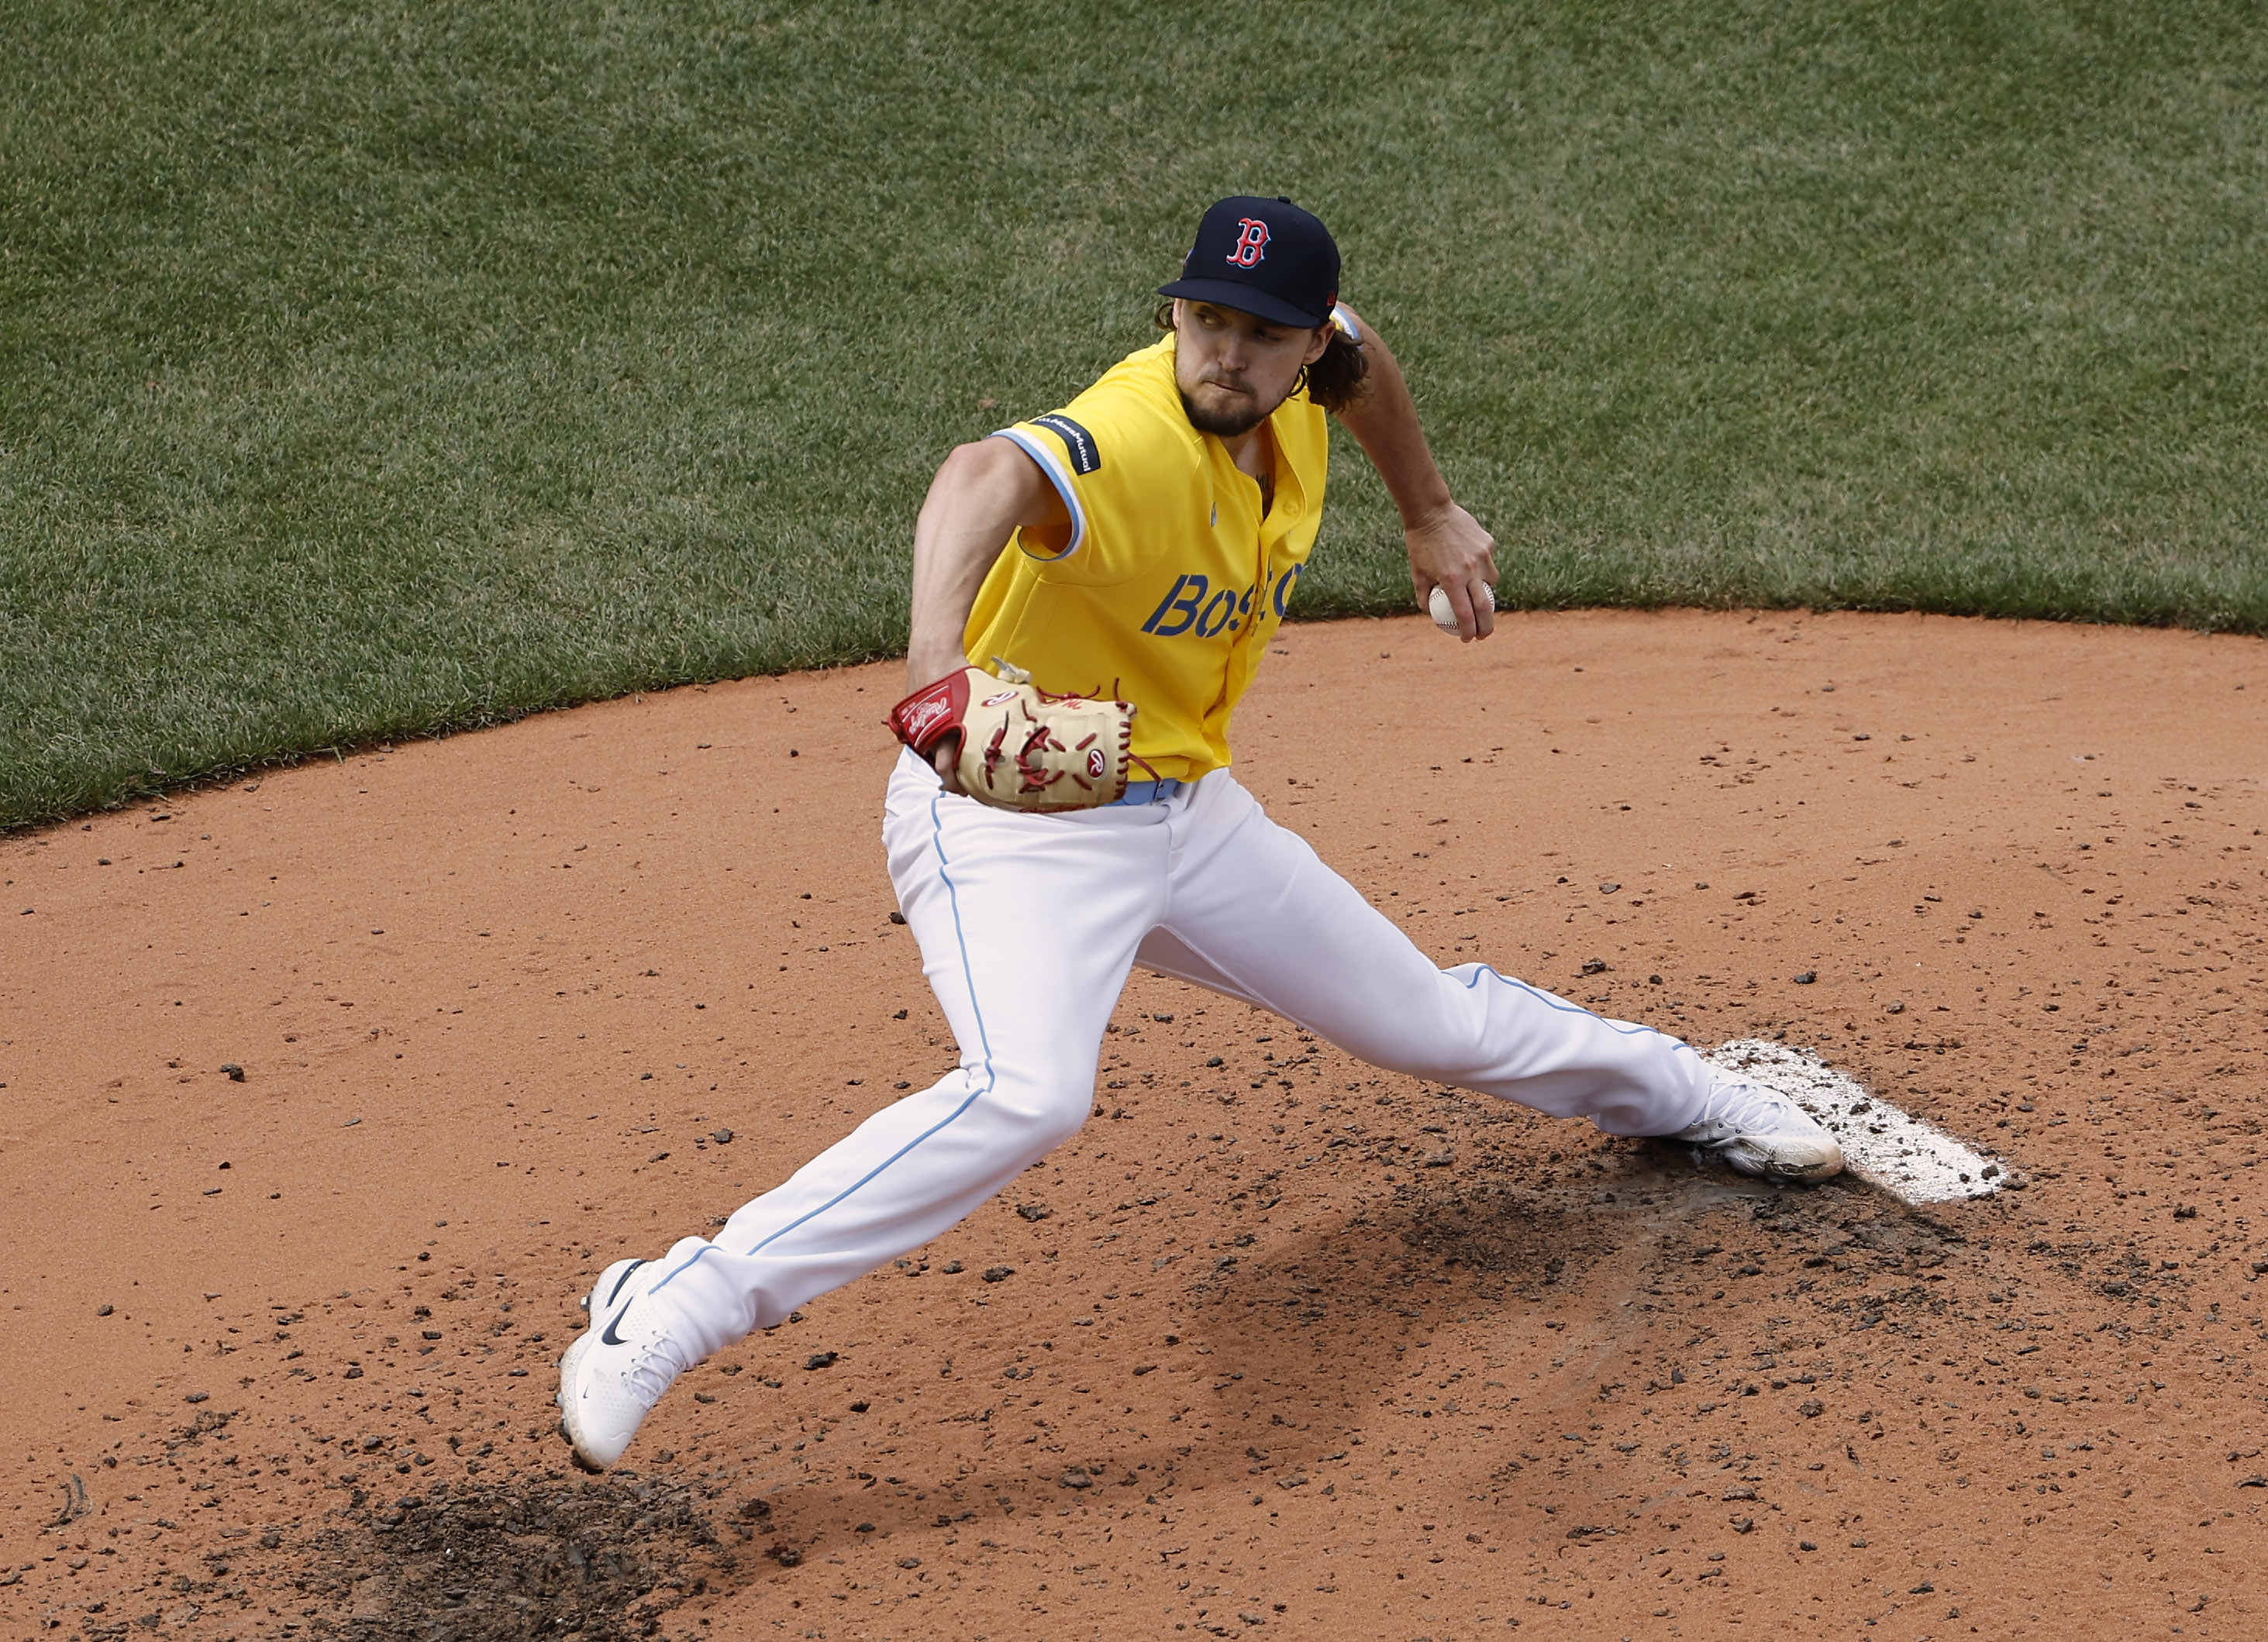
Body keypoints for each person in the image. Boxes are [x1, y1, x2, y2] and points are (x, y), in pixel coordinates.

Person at [557, 196, 1841, 1472]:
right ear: (1173, 312)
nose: (1226, 353)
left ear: (1301, 350)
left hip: (1187, 811)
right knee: (1029, 1093)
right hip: (1015, 826)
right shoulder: (1135, 432)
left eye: (1260, 334)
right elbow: (982, 472)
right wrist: (938, 668)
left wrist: (1427, 509)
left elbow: (1365, 355)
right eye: (1205, 320)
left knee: (1426, 1024)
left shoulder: (1311, 378)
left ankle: (1692, 1094)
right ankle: (672, 1305)